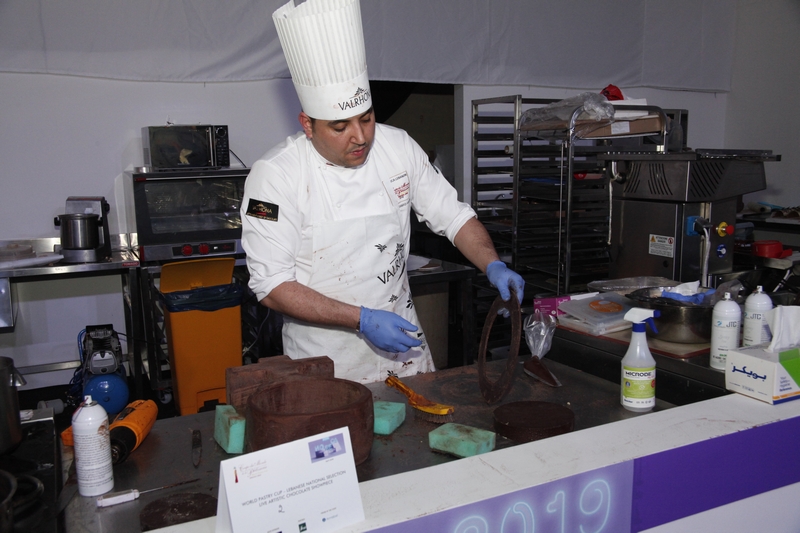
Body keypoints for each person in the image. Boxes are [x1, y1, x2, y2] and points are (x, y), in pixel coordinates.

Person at [241, 0, 524, 383]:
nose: (360, 137)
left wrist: (492, 263)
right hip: (325, 364)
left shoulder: (397, 147)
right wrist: (362, 319)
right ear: (308, 125)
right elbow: (272, 286)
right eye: (340, 127)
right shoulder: (275, 176)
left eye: (367, 118)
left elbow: (454, 217)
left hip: (405, 351)